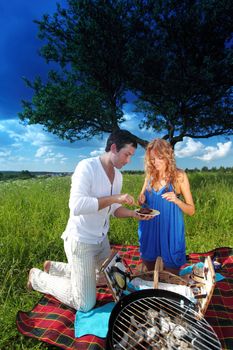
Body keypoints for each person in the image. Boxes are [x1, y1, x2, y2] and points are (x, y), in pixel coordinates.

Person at [27, 129, 147, 312]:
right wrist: (115, 198)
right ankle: (37, 278)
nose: (128, 160)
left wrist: (133, 214)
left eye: (131, 156)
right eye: (127, 154)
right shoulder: (87, 167)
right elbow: (76, 206)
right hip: (81, 241)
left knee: (114, 279)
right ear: (113, 148)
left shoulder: (119, 176)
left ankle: (55, 267)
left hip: (101, 240)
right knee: (85, 303)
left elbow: (114, 210)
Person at [138, 138, 195, 274]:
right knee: (150, 274)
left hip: (170, 230)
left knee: (171, 276)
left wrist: (177, 200)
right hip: (149, 229)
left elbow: (191, 210)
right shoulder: (150, 175)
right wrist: (141, 199)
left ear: (168, 156)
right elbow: (141, 200)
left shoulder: (179, 176)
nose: (155, 162)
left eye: (160, 158)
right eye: (152, 159)